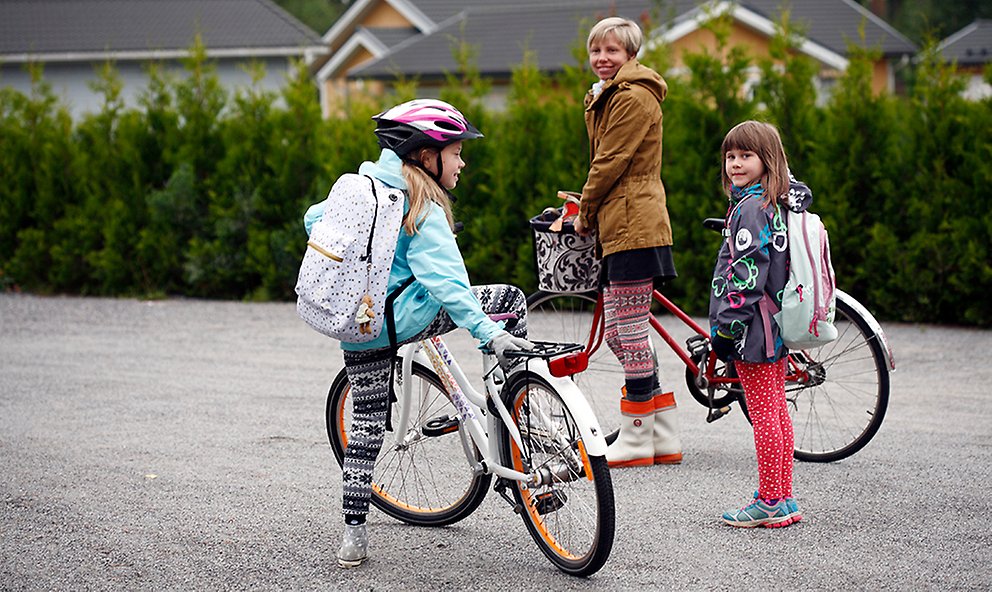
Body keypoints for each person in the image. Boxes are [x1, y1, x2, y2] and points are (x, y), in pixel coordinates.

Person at [303, 99, 534, 567]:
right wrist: (487, 333)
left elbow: (313, 220)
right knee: (509, 299)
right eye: (455, 151)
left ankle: (353, 537)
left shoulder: (359, 187)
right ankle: (513, 426)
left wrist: (379, 257)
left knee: (366, 427)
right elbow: (448, 283)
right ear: (427, 155)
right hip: (410, 318)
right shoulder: (422, 205)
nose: (462, 161)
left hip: (361, 327)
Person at [572, 16, 681, 468]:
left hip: (636, 224)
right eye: (597, 51)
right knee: (620, 330)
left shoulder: (633, 96)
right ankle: (659, 431)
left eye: (612, 51)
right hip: (623, 223)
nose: (602, 59)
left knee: (628, 329)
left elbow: (610, 161)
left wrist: (585, 207)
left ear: (631, 55)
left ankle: (638, 439)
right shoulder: (611, 93)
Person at [708, 120, 812, 528]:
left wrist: (726, 328)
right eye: (730, 156)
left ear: (766, 159)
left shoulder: (751, 208)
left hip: (753, 327)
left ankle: (769, 501)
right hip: (776, 322)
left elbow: (746, 273)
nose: (735, 163)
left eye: (745, 155)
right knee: (775, 410)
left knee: (764, 411)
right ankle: (782, 496)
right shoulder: (776, 201)